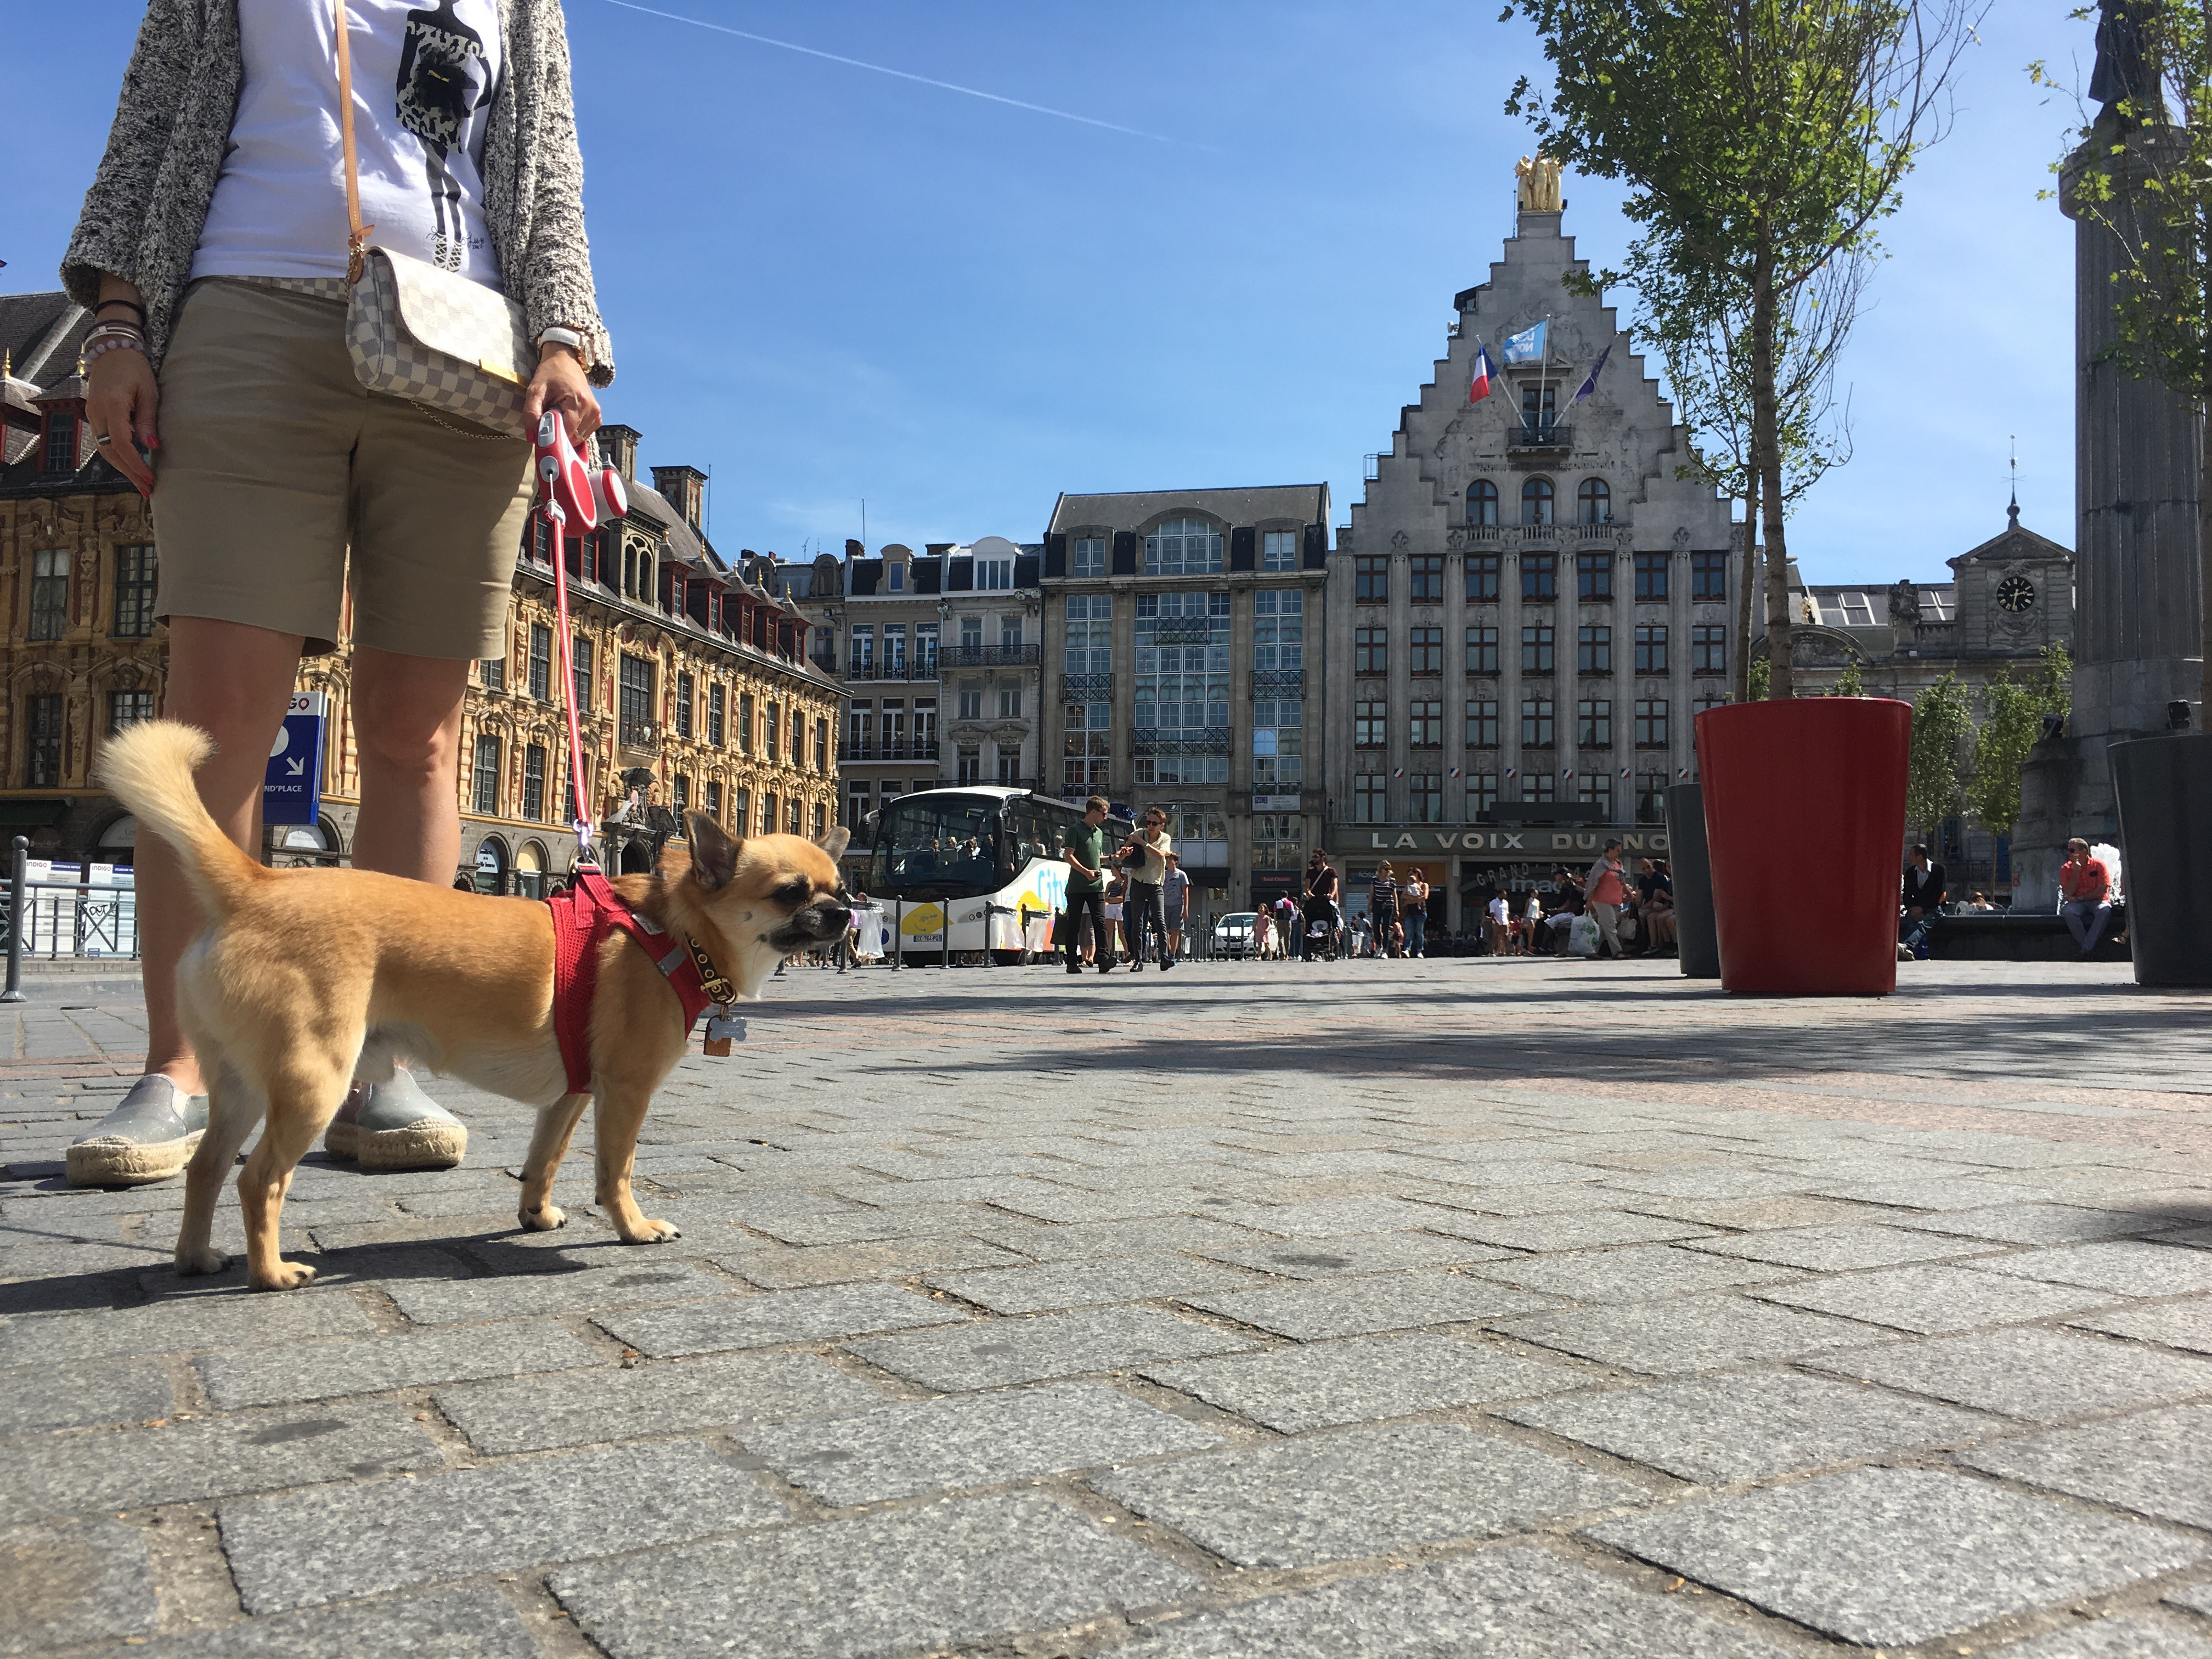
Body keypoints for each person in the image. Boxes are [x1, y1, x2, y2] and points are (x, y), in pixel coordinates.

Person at [61, 0, 611, 1187]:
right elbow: (148, 126)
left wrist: (565, 335)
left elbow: (546, 166)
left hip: (464, 347)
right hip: (249, 314)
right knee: (217, 722)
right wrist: (116, 324)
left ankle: (379, 1063)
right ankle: (187, 1066)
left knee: (419, 734)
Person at [1059, 797, 1114, 975]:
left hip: (1096, 886)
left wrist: (1113, 858)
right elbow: (1068, 856)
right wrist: (1086, 872)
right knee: (1074, 924)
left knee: (1100, 922)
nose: (1105, 818)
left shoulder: (1099, 833)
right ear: (1093, 811)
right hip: (1077, 886)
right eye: (1103, 814)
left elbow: (1096, 857)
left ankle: (1103, 959)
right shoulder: (1074, 830)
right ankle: (1071, 962)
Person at [1118, 808, 1173, 972]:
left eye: (1154, 823)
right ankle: (1138, 960)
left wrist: (1143, 843)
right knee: (1137, 923)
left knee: (1160, 920)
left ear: (1162, 825)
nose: (1150, 826)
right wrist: (1126, 850)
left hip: (1156, 884)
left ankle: (1164, 957)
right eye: (1148, 822)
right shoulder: (1139, 833)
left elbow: (1161, 855)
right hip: (1138, 882)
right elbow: (1125, 848)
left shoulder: (1165, 838)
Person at [2060, 837, 2115, 956]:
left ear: (2084, 852)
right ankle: (2088, 948)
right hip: (2078, 904)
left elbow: (2102, 890)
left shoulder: (2099, 865)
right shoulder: (2066, 868)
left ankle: (2086, 949)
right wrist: (2076, 873)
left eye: (2072, 851)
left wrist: (2079, 898)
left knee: (2105, 911)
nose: (2069, 853)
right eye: (2067, 850)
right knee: (2068, 911)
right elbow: (2068, 893)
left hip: (2098, 901)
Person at [1584, 840, 1632, 960]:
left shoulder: (1618, 865)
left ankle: (1592, 951)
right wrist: (1589, 901)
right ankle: (1617, 951)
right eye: (1617, 850)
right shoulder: (1600, 865)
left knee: (1603, 927)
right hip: (1602, 900)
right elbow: (1592, 883)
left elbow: (1622, 883)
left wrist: (1629, 894)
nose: (1619, 853)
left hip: (1615, 901)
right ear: (1610, 850)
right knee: (1611, 926)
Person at [1902, 844, 1947, 961]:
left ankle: (1907, 947)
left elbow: (1939, 893)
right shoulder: (1910, 873)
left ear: (1920, 857)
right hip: (1915, 909)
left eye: (1911, 854)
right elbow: (1907, 895)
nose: (1908, 856)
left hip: (1933, 908)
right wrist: (1912, 909)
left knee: (1923, 924)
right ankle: (1908, 950)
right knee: (1911, 922)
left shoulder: (1939, 870)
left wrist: (1922, 909)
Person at [1161, 851, 1190, 963]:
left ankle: (1173, 955)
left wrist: (1185, 910)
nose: (1168, 861)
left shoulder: (1181, 875)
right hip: (1165, 905)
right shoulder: (1163, 874)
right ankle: (1167, 951)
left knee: (1175, 930)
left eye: (1170, 859)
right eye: (1167, 859)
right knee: (1164, 930)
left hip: (1177, 905)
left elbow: (1186, 893)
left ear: (1175, 861)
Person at [1367, 863, 1399, 958]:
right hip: (1377, 905)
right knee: (1376, 927)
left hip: (1388, 905)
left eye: (1389, 869)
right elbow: (1372, 893)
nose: (1388, 871)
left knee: (1386, 928)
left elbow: (1395, 895)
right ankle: (1379, 946)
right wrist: (1369, 906)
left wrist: (1397, 909)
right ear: (1381, 869)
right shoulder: (1375, 880)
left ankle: (1385, 950)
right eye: (1386, 869)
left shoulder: (1392, 881)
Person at [1402, 869, 1431, 958]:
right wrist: (1415, 898)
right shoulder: (1408, 885)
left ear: (1417, 874)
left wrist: (1411, 901)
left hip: (1420, 912)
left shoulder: (1424, 885)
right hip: (1410, 912)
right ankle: (1407, 949)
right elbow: (1403, 896)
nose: (1410, 876)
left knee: (1419, 932)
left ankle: (1419, 950)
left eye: (1412, 874)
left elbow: (1425, 896)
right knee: (1409, 931)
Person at [1486, 890, 1510, 955]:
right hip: (1497, 922)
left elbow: (1507, 913)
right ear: (1500, 894)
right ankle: (1492, 950)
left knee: (1506, 936)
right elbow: (1492, 913)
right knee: (1496, 936)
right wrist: (1496, 921)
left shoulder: (1506, 903)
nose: (1505, 896)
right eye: (1504, 894)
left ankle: (1507, 951)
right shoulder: (1493, 902)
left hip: (1504, 922)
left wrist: (1508, 922)